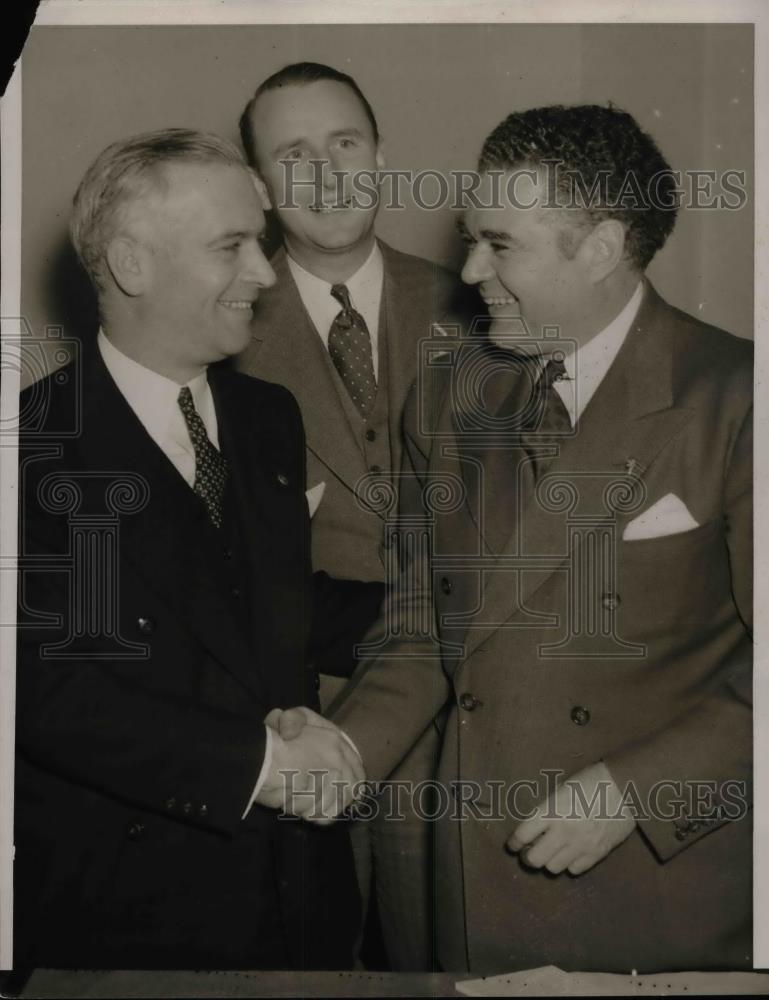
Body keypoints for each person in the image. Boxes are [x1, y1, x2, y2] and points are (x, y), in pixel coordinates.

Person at [323, 104, 753, 973]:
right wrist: (339, 752)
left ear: (599, 246)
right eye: (468, 237)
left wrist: (639, 787)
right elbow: (417, 629)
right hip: (469, 882)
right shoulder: (447, 395)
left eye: (500, 243)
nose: (470, 268)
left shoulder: (736, 397)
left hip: (651, 889)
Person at [14, 128, 363, 970]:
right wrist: (264, 765)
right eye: (232, 247)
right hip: (135, 914)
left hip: (296, 893)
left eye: (261, 241)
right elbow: (49, 689)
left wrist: (458, 613)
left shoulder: (264, 416)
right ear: (133, 264)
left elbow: (264, 606)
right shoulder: (34, 448)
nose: (266, 272)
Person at [235, 62, 478, 970]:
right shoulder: (223, 333)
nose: (329, 174)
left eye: (345, 145)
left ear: (381, 156)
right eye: (295, 155)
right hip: (300, 725)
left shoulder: (482, 307)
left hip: (468, 721)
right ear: (258, 185)